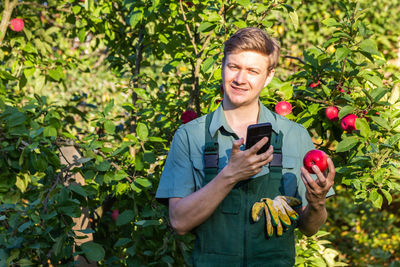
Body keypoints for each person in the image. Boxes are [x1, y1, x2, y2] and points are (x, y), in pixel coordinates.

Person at [156, 27, 335, 266]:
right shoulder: (191, 136)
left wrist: (317, 203)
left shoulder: (295, 136)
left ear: (269, 76)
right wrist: (230, 175)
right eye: (234, 67)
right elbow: (178, 222)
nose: (240, 79)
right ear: (222, 66)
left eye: (252, 71)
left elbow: (310, 228)